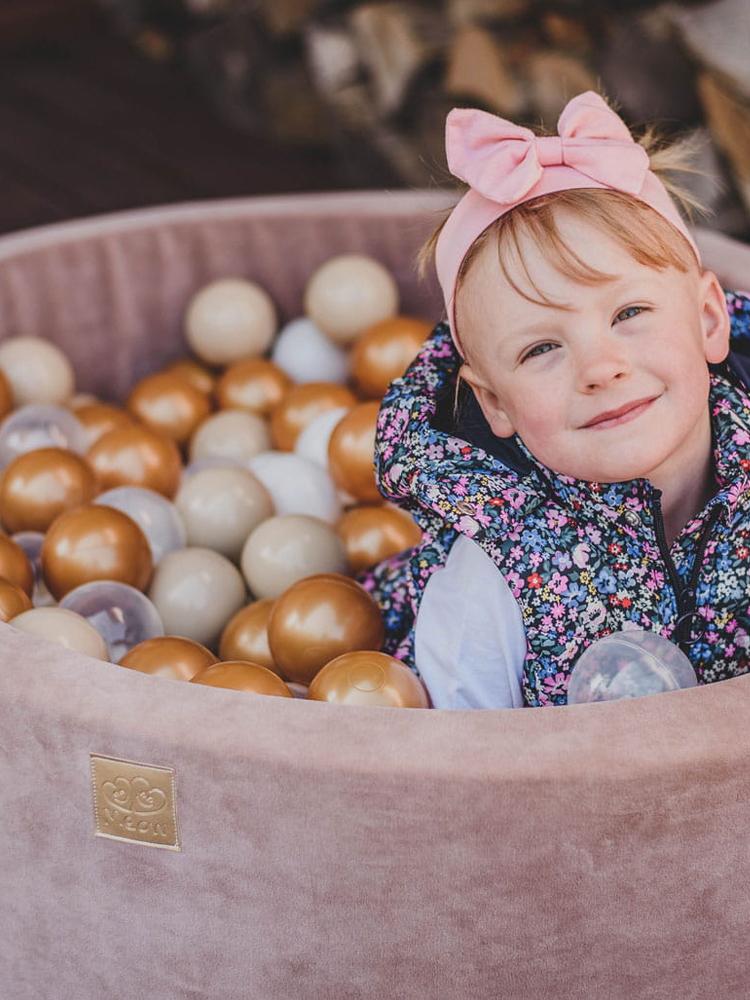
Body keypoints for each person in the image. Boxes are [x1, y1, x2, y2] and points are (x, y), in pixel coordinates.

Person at [358, 90, 750, 709]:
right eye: (541, 349)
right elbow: (467, 776)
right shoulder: (492, 576)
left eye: (629, 312)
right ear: (496, 405)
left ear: (707, 320)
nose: (600, 368)